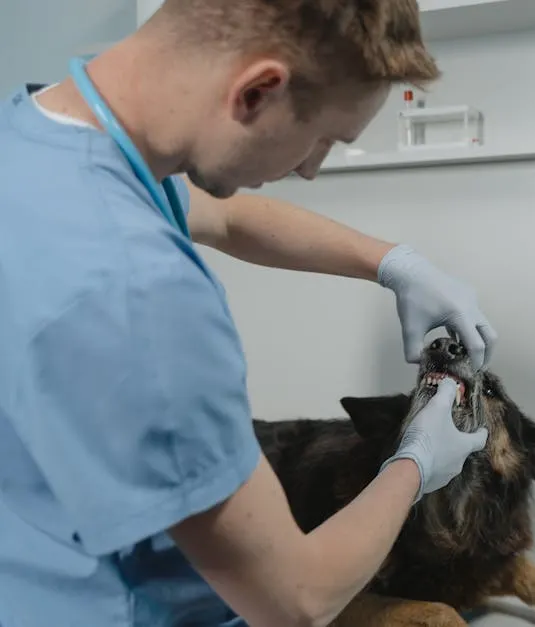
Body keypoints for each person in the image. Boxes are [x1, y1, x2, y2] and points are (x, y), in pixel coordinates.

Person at [0, 1, 498, 626]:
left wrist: (392, 263)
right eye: (324, 138)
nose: (312, 168)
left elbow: (224, 215)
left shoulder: (35, 138)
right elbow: (297, 601)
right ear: (259, 90)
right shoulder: (141, 297)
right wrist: (415, 460)